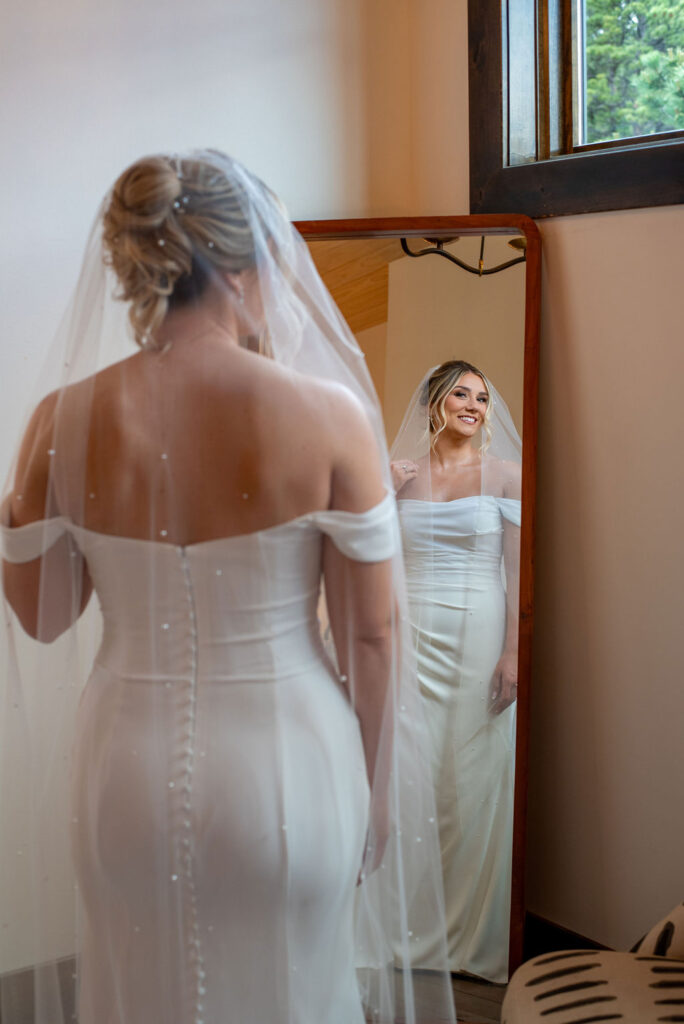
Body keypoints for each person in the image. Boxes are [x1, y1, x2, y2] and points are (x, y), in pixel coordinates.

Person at [0, 153, 455, 1024]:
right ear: (245, 264)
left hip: (125, 776)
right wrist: (374, 792)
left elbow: (44, 615)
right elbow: (371, 636)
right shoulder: (327, 416)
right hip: (287, 766)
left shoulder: (64, 420)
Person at [390, 359, 522, 983]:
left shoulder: (505, 477)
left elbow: (520, 575)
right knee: (409, 775)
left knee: (468, 777)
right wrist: (381, 494)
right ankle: (401, 928)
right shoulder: (403, 479)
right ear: (433, 403)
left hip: (478, 635)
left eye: (482, 398)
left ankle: (468, 939)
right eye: (460, 394)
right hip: (411, 634)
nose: (473, 405)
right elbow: (366, 560)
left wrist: (514, 652)